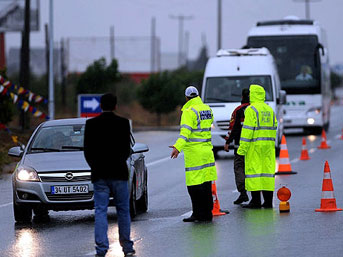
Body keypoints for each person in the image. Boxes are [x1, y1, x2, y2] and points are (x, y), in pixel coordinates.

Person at [83, 93, 135, 257]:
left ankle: (101, 249)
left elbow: (87, 151)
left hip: (99, 174)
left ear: (100, 106)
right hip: (119, 173)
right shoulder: (123, 123)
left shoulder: (91, 124)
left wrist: (95, 166)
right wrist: (119, 162)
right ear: (115, 106)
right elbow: (127, 150)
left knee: (100, 211)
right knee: (123, 211)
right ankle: (127, 247)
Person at [170, 86, 217, 222]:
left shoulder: (188, 111)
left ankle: (197, 214)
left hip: (195, 154)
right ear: (197, 95)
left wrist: (177, 147)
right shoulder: (207, 109)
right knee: (206, 184)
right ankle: (208, 214)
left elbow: (185, 133)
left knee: (194, 186)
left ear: (186, 98)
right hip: (207, 151)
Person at [237, 84, 277, 208]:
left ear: (253, 95)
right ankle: (268, 201)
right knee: (267, 173)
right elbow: (275, 126)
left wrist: (242, 149)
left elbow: (247, 131)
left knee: (254, 172)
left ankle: (255, 201)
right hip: (269, 147)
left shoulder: (251, 110)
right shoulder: (269, 109)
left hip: (254, 147)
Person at [224, 88, 250, 204]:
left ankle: (243, 193)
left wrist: (227, 142)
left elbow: (233, 128)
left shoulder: (238, 111)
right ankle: (257, 196)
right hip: (255, 146)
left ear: (241, 97)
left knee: (239, 168)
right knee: (254, 169)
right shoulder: (256, 109)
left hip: (240, 146)